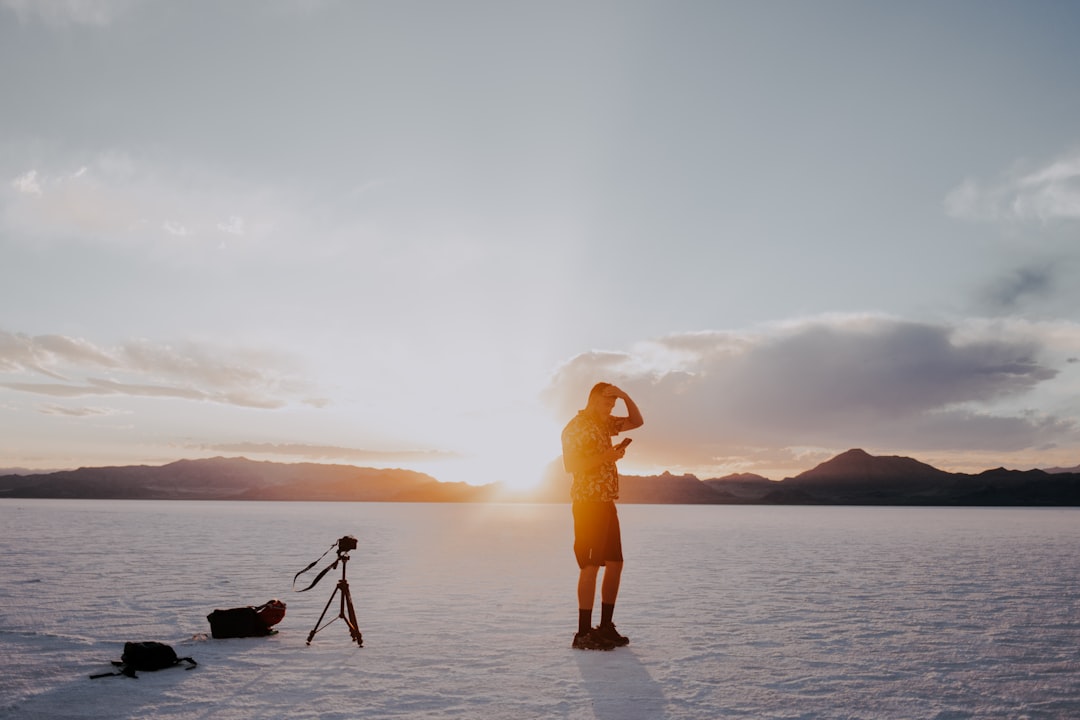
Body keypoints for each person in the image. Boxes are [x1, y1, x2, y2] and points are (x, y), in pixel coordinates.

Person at [560, 382, 643, 650]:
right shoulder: (576, 427)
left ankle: (605, 627)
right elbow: (571, 465)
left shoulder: (603, 424)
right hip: (587, 502)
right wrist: (606, 456)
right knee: (590, 566)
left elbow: (637, 421)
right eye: (607, 402)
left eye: (612, 404)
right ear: (593, 399)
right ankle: (583, 633)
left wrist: (625, 395)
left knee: (615, 563)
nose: (610, 408)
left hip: (606, 501)